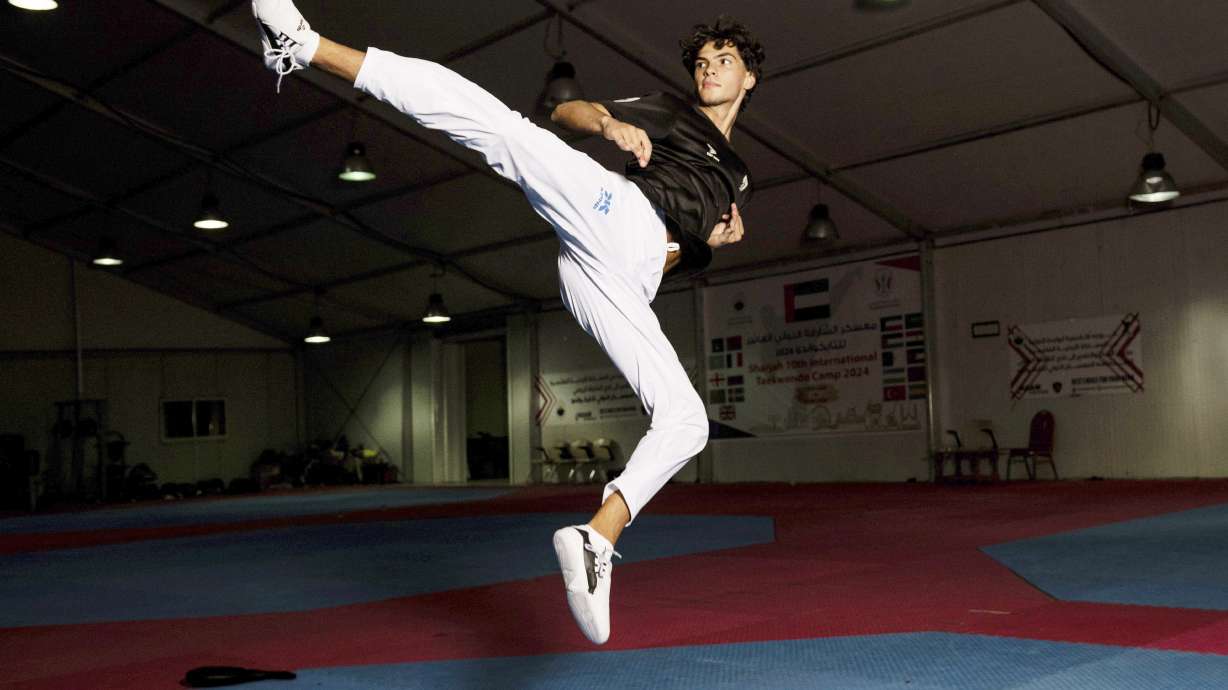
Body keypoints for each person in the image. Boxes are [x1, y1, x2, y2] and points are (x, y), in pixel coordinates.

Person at [252, 0, 764, 645]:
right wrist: (606, 123)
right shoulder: (672, 110)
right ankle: (306, 45)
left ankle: (594, 540)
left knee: (687, 422)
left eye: (724, 63)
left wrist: (714, 238)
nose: (709, 71)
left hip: (622, 279)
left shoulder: (739, 177)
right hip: (615, 212)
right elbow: (565, 112)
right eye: (702, 62)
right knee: (506, 131)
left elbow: (694, 227)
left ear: (749, 78)